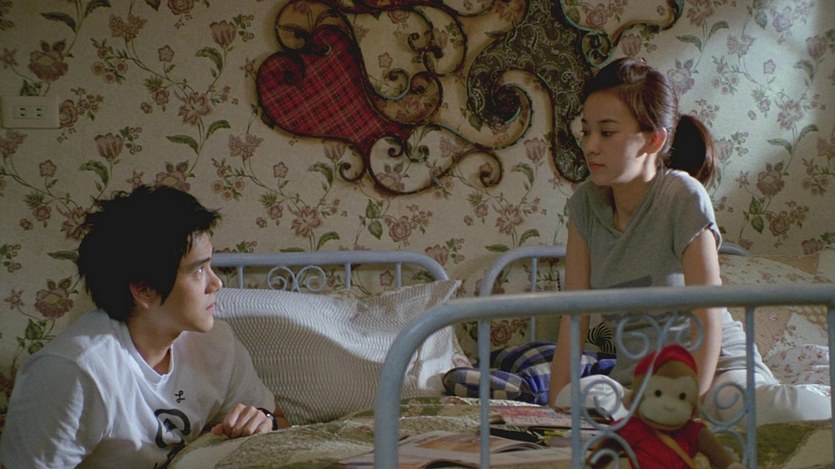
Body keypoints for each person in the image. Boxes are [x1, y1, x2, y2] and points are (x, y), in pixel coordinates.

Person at [548, 57, 831, 425]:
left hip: (716, 368)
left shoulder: (681, 196)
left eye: (606, 132)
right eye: (586, 131)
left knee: (772, 410)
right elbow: (574, 316)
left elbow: (707, 314)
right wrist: (553, 409)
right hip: (642, 382)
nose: (590, 146)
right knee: (578, 395)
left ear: (654, 139)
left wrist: (687, 409)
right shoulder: (585, 205)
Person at [1, 185, 290, 468]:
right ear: (144, 290)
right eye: (198, 270)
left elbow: (281, 422)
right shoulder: (74, 372)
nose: (216, 283)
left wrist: (263, 420)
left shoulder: (217, 343)